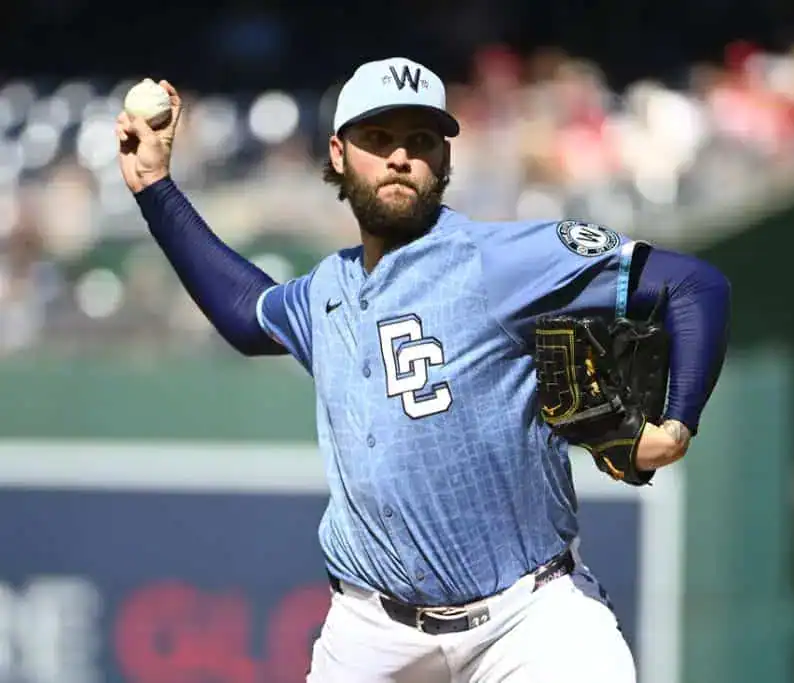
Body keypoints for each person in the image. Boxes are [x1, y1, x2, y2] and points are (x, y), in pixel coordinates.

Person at [115, 57, 731, 683]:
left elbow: (693, 286)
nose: (399, 157)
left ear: (444, 159)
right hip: (371, 635)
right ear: (338, 153)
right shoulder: (326, 290)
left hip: (531, 622)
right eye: (378, 139)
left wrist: (678, 424)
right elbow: (247, 316)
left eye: (420, 141)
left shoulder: (505, 261)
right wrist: (154, 187)